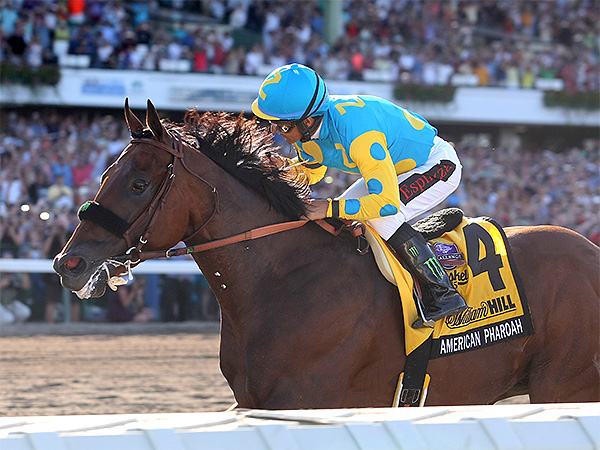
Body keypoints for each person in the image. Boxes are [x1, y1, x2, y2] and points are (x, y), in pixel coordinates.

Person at [251, 63, 467, 328]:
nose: (275, 132)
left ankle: (443, 292)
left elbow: (386, 204)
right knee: (338, 220)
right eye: (271, 124)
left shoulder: (358, 132)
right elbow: (311, 173)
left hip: (435, 164)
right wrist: (276, 175)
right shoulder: (307, 133)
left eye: (282, 127)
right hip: (396, 171)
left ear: (307, 121)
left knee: (380, 218)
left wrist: (329, 206)